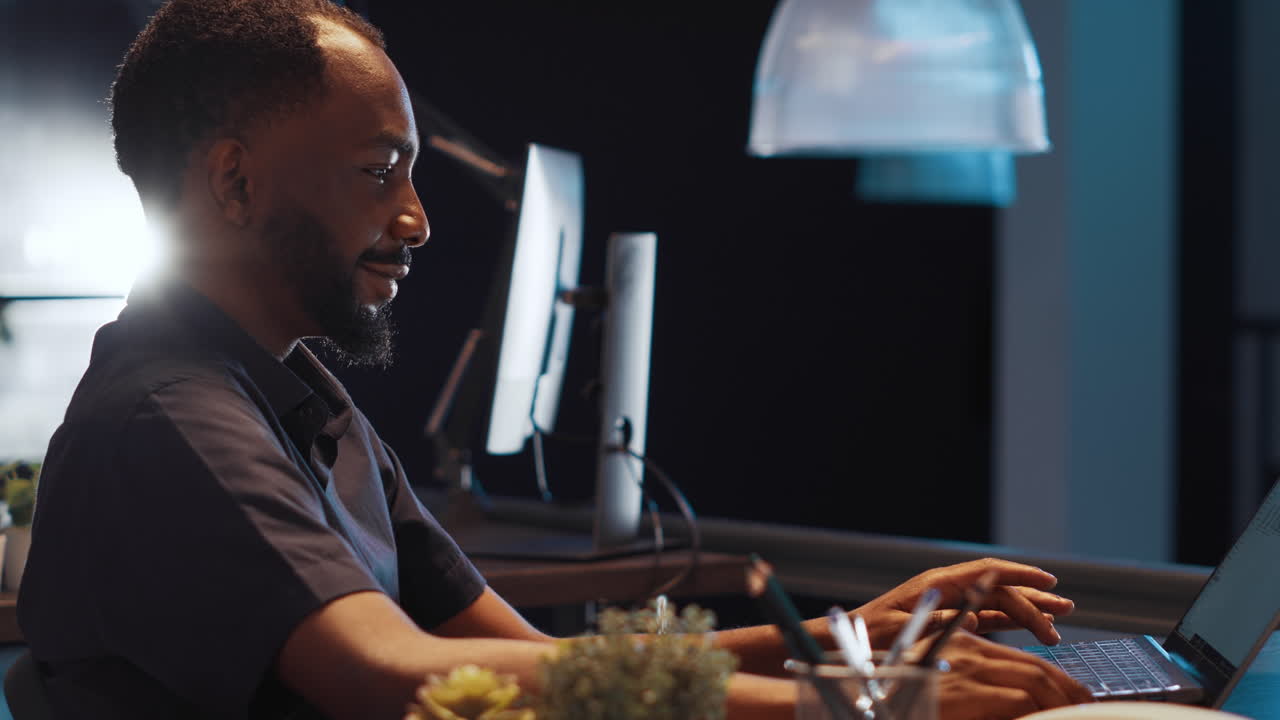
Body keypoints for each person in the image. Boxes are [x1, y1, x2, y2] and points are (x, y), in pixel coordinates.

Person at [17, 1, 1094, 718]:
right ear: (236, 183)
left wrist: (849, 640)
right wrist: (857, 697)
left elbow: (516, 657)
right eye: (378, 170)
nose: (417, 218)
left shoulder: (301, 400)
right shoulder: (166, 425)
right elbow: (394, 676)